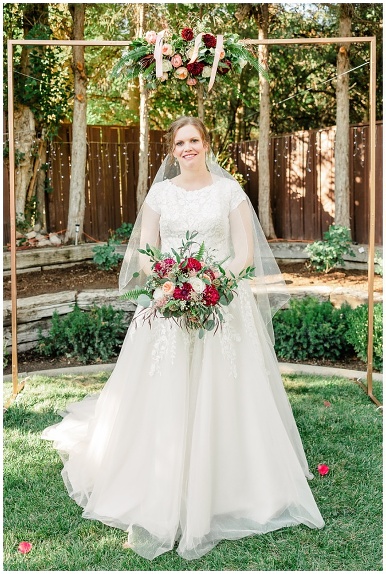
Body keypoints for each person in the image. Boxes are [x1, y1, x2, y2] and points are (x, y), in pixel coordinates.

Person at [42, 116, 324, 560]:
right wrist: (172, 282)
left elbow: (244, 255)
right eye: (179, 142)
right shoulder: (160, 193)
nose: (187, 148)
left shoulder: (230, 192)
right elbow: (146, 252)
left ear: (207, 144)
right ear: (172, 151)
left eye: (194, 140)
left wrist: (207, 283)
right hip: (167, 301)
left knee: (227, 390)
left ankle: (233, 486)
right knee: (163, 387)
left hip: (223, 303)